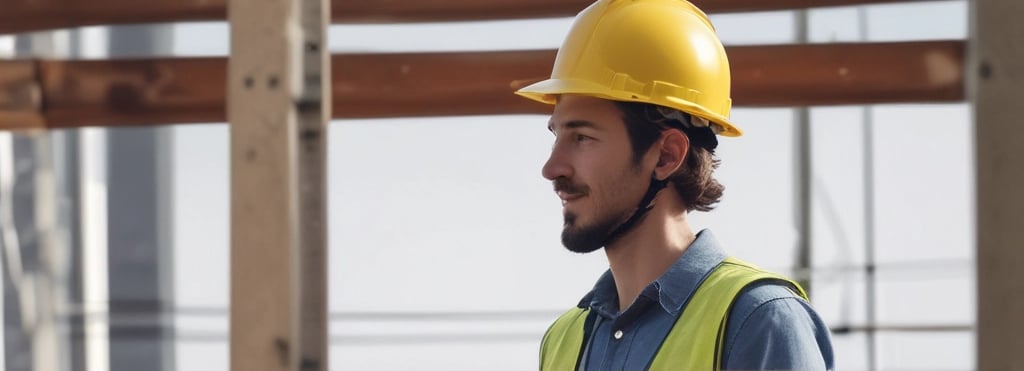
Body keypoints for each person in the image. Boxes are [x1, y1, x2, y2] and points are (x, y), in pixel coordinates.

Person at [514, 0, 835, 370]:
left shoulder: (758, 321)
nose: (552, 167)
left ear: (666, 156)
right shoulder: (563, 341)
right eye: (556, 136)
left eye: (583, 137)